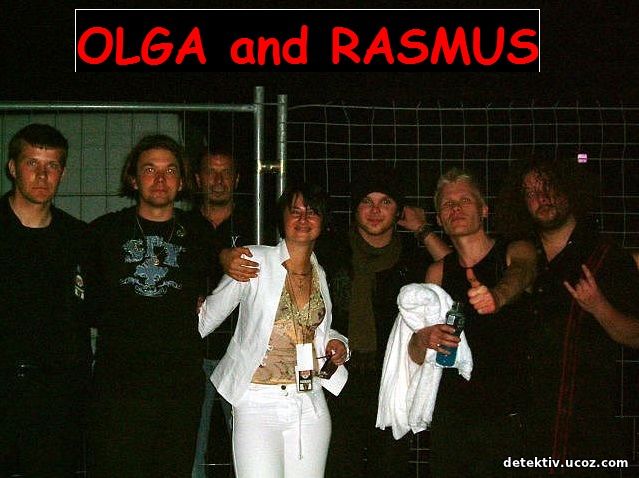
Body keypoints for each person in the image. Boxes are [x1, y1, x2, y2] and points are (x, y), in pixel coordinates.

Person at [497, 158, 639, 475]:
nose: (542, 197)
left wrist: (599, 307)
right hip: (524, 434)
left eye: (549, 186)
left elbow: (635, 335)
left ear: (570, 188)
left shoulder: (607, 257)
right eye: (530, 192)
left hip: (585, 433)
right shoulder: (519, 255)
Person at [84, 134, 215, 477]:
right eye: (149, 170)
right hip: (119, 387)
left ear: (182, 181)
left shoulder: (200, 233)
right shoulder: (104, 233)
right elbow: (86, 302)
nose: (160, 179)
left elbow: (219, 286)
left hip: (179, 387)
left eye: (170, 170)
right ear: (133, 179)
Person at [198, 182, 349, 478]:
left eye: (312, 212)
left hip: (308, 401)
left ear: (323, 221)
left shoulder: (321, 271)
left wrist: (338, 343)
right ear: (282, 218)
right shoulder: (254, 261)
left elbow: (320, 329)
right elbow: (205, 321)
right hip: (256, 403)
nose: (303, 219)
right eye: (295, 211)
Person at [408, 167, 537, 477]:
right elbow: (414, 353)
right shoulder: (437, 273)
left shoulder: (514, 251)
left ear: (484, 209)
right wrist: (422, 339)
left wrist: (497, 296)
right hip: (454, 420)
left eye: (465, 200)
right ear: (440, 219)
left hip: (511, 416)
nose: (456, 208)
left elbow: (522, 272)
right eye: (447, 204)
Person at [0, 123, 91, 477]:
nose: (42, 175)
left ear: (62, 173)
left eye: (51, 165)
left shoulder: (78, 238)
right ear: (12, 168)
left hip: (57, 400)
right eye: (32, 163)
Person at [189, 148, 254, 478]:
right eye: (210, 172)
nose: (218, 180)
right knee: (189, 448)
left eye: (225, 172)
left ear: (237, 179)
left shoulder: (255, 224)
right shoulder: (182, 227)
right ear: (197, 179)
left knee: (249, 449)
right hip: (192, 351)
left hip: (240, 352)